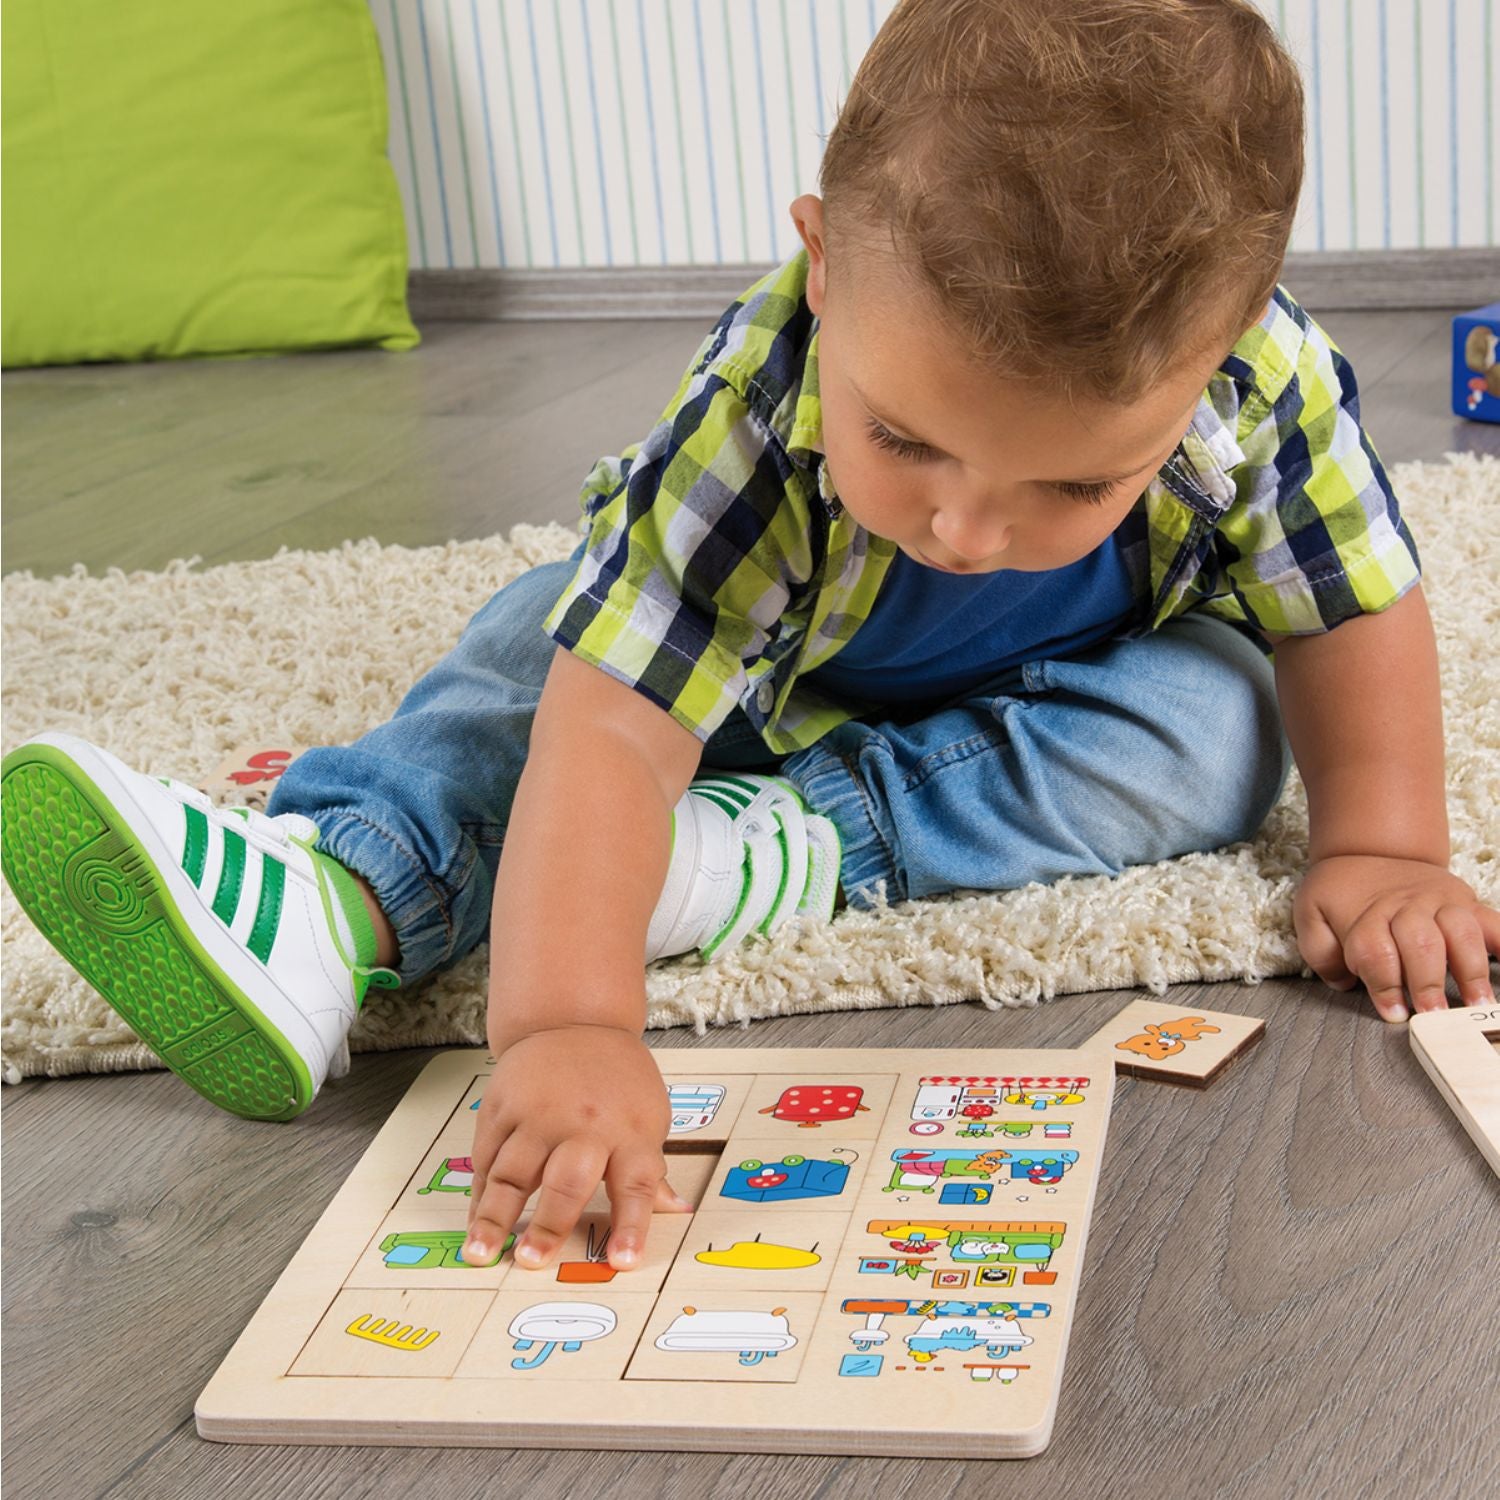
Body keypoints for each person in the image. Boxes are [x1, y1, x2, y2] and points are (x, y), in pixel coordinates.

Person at [4, 0, 1496, 1281]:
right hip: (760, 673)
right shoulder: (751, 407)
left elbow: (1351, 609)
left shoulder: (1265, 386)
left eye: (1072, 485)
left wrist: (1383, 846)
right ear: (824, 268)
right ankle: (342, 889)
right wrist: (568, 1024)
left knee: (1225, 724)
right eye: (902, 439)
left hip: (1068, 689)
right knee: (537, 647)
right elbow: (611, 723)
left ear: (1219, 357)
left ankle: (757, 853)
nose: (965, 526)